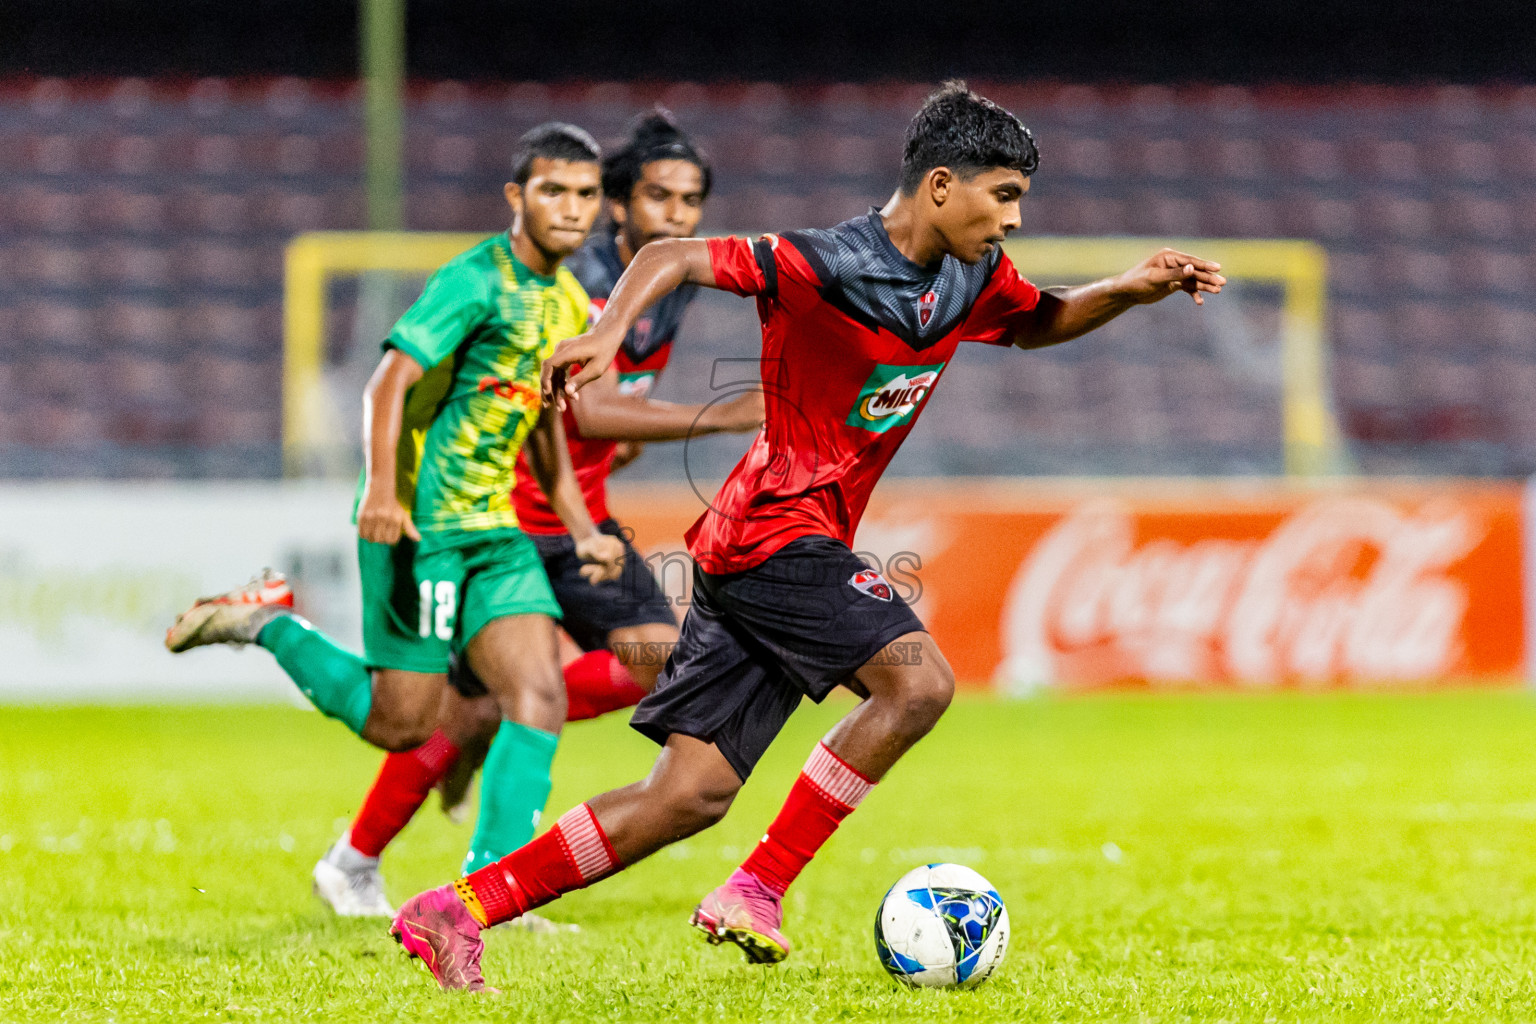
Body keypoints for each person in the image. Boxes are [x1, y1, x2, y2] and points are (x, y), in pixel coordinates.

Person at [389, 81, 1226, 992]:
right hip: (773, 532)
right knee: (919, 684)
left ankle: (453, 911)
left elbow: (1037, 323)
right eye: (1006, 194)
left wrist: (1129, 291)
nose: (1015, 219)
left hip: (769, 544)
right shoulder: (824, 262)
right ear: (942, 186)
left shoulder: (970, 276)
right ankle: (759, 885)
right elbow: (672, 254)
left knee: (687, 797)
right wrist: (605, 332)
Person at [165, 122, 628, 920]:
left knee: (537, 692)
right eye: (554, 190)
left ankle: (492, 893)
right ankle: (268, 622)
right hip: (420, 526)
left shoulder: (569, 304)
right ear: (518, 197)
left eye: (586, 193)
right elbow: (388, 382)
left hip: (495, 532)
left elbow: (544, 421)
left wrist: (582, 525)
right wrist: (383, 489)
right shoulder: (473, 281)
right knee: (402, 725)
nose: (572, 207)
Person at [309, 110, 762, 916]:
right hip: (503, 517)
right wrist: (719, 415)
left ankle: (461, 777)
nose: (678, 217)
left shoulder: (664, 283)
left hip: (577, 515)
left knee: (648, 660)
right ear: (619, 205)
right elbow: (579, 410)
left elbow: (599, 412)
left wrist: (619, 445)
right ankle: (363, 857)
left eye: (691, 202)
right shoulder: (581, 282)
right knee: (467, 705)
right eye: (659, 197)